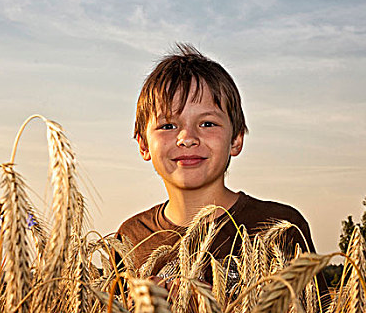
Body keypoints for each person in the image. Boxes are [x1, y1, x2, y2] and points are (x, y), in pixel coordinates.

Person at [116, 43, 328, 307]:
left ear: (236, 139)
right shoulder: (131, 237)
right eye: (168, 125)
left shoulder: (280, 226)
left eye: (207, 123)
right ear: (143, 145)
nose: (187, 138)